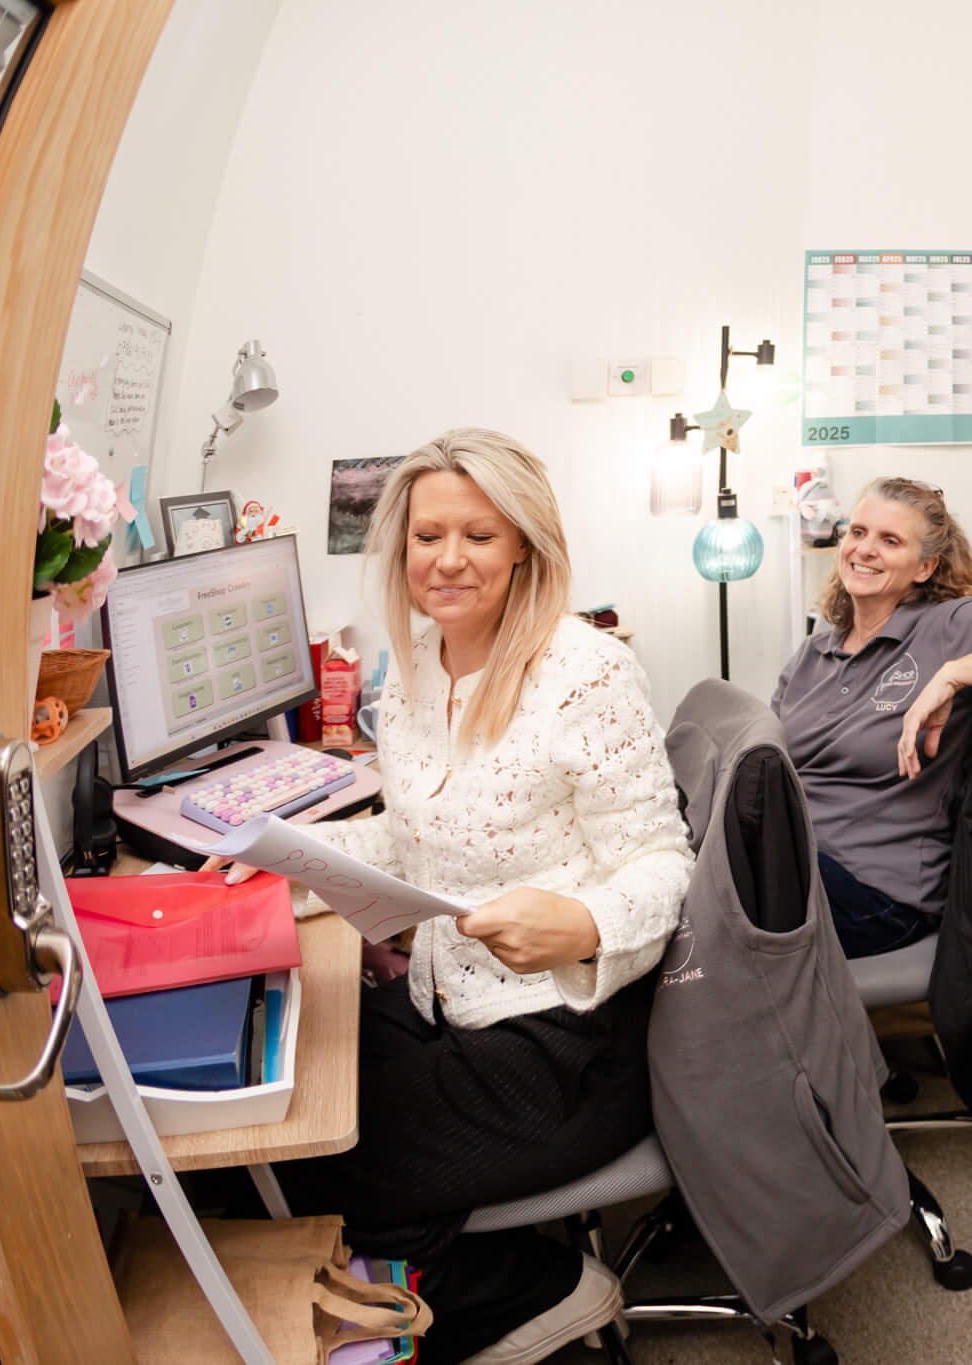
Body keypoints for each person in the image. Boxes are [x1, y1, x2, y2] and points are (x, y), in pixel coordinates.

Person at [248, 429, 692, 1365]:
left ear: (523, 545)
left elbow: (664, 863)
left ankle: (539, 1286)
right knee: (276, 1109)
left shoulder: (586, 673)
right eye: (427, 536)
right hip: (442, 998)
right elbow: (409, 837)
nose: (447, 559)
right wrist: (281, 861)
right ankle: (414, 1267)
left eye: (479, 536)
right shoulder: (415, 666)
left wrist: (586, 923)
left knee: (329, 1168)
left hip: (566, 1038)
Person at [771, 477, 972, 958]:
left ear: (925, 567)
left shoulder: (947, 627)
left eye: (890, 541)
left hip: (876, 893)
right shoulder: (814, 650)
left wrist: (952, 675)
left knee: (722, 899)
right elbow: (766, 760)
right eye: (858, 532)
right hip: (796, 857)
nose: (865, 549)